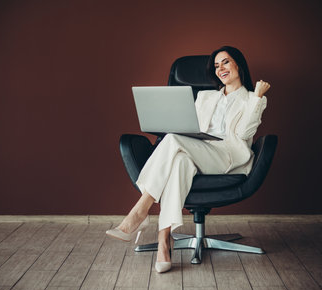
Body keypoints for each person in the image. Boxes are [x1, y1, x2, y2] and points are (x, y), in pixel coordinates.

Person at [106, 46, 270, 273]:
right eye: (216, 66)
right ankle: (165, 240)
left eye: (225, 62)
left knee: (173, 140)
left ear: (238, 65)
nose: (220, 69)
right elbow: (186, 126)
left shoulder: (252, 99)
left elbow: (243, 135)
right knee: (179, 161)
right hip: (196, 149)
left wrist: (258, 97)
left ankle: (140, 211)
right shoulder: (205, 96)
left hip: (228, 156)